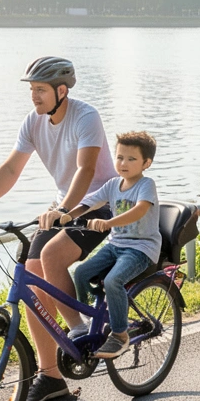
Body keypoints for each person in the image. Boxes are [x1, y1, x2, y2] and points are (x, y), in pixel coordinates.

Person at [0, 57, 116, 401]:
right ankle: (50, 377)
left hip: (100, 205)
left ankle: (76, 328)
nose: (34, 96)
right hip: (63, 207)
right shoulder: (33, 122)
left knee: (51, 256)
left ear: (62, 91)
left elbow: (86, 168)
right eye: (31, 90)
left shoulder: (85, 116)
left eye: (40, 90)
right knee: (31, 281)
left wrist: (64, 211)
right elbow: (12, 167)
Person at [63, 131, 160, 359]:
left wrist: (108, 222)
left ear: (147, 163)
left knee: (113, 281)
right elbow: (89, 201)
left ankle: (120, 335)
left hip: (141, 248)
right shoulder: (113, 184)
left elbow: (139, 211)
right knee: (81, 272)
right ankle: (89, 321)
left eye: (131, 159)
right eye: (119, 157)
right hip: (115, 245)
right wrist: (66, 215)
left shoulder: (146, 185)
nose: (123, 163)